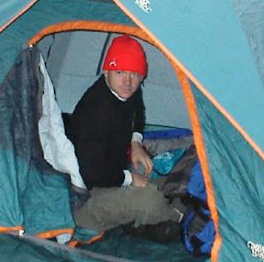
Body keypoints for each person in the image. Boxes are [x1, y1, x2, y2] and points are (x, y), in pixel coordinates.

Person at [65, 35, 185, 241]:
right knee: (151, 199)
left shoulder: (128, 92)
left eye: (134, 74)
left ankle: (142, 220)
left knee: (155, 173)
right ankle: (177, 216)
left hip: (114, 171)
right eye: (120, 72)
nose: (128, 81)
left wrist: (136, 143)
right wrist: (129, 179)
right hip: (87, 194)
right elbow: (92, 172)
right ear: (107, 71)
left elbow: (138, 110)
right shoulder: (97, 109)